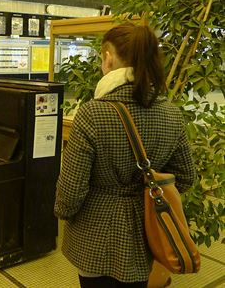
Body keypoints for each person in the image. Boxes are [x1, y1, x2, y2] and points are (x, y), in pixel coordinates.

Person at [54, 22, 195, 288]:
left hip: (94, 237)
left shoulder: (92, 114)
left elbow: (70, 194)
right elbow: (186, 177)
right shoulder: (171, 114)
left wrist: (63, 211)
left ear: (108, 58)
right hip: (145, 237)